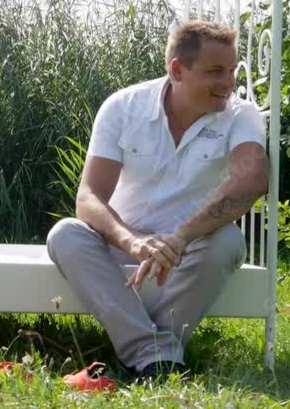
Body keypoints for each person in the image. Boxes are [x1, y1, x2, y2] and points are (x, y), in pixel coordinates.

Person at [47, 21, 269, 380]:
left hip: (190, 253)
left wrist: (181, 237)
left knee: (229, 240)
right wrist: (132, 241)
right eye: (215, 72)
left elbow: (253, 180)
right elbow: (88, 197)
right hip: (122, 249)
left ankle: (146, 350)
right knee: (65, 234)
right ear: (177, 70)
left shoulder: (241, 115)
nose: (229, 83)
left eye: (231, 70)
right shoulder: (123, 107)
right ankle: (159, 353)